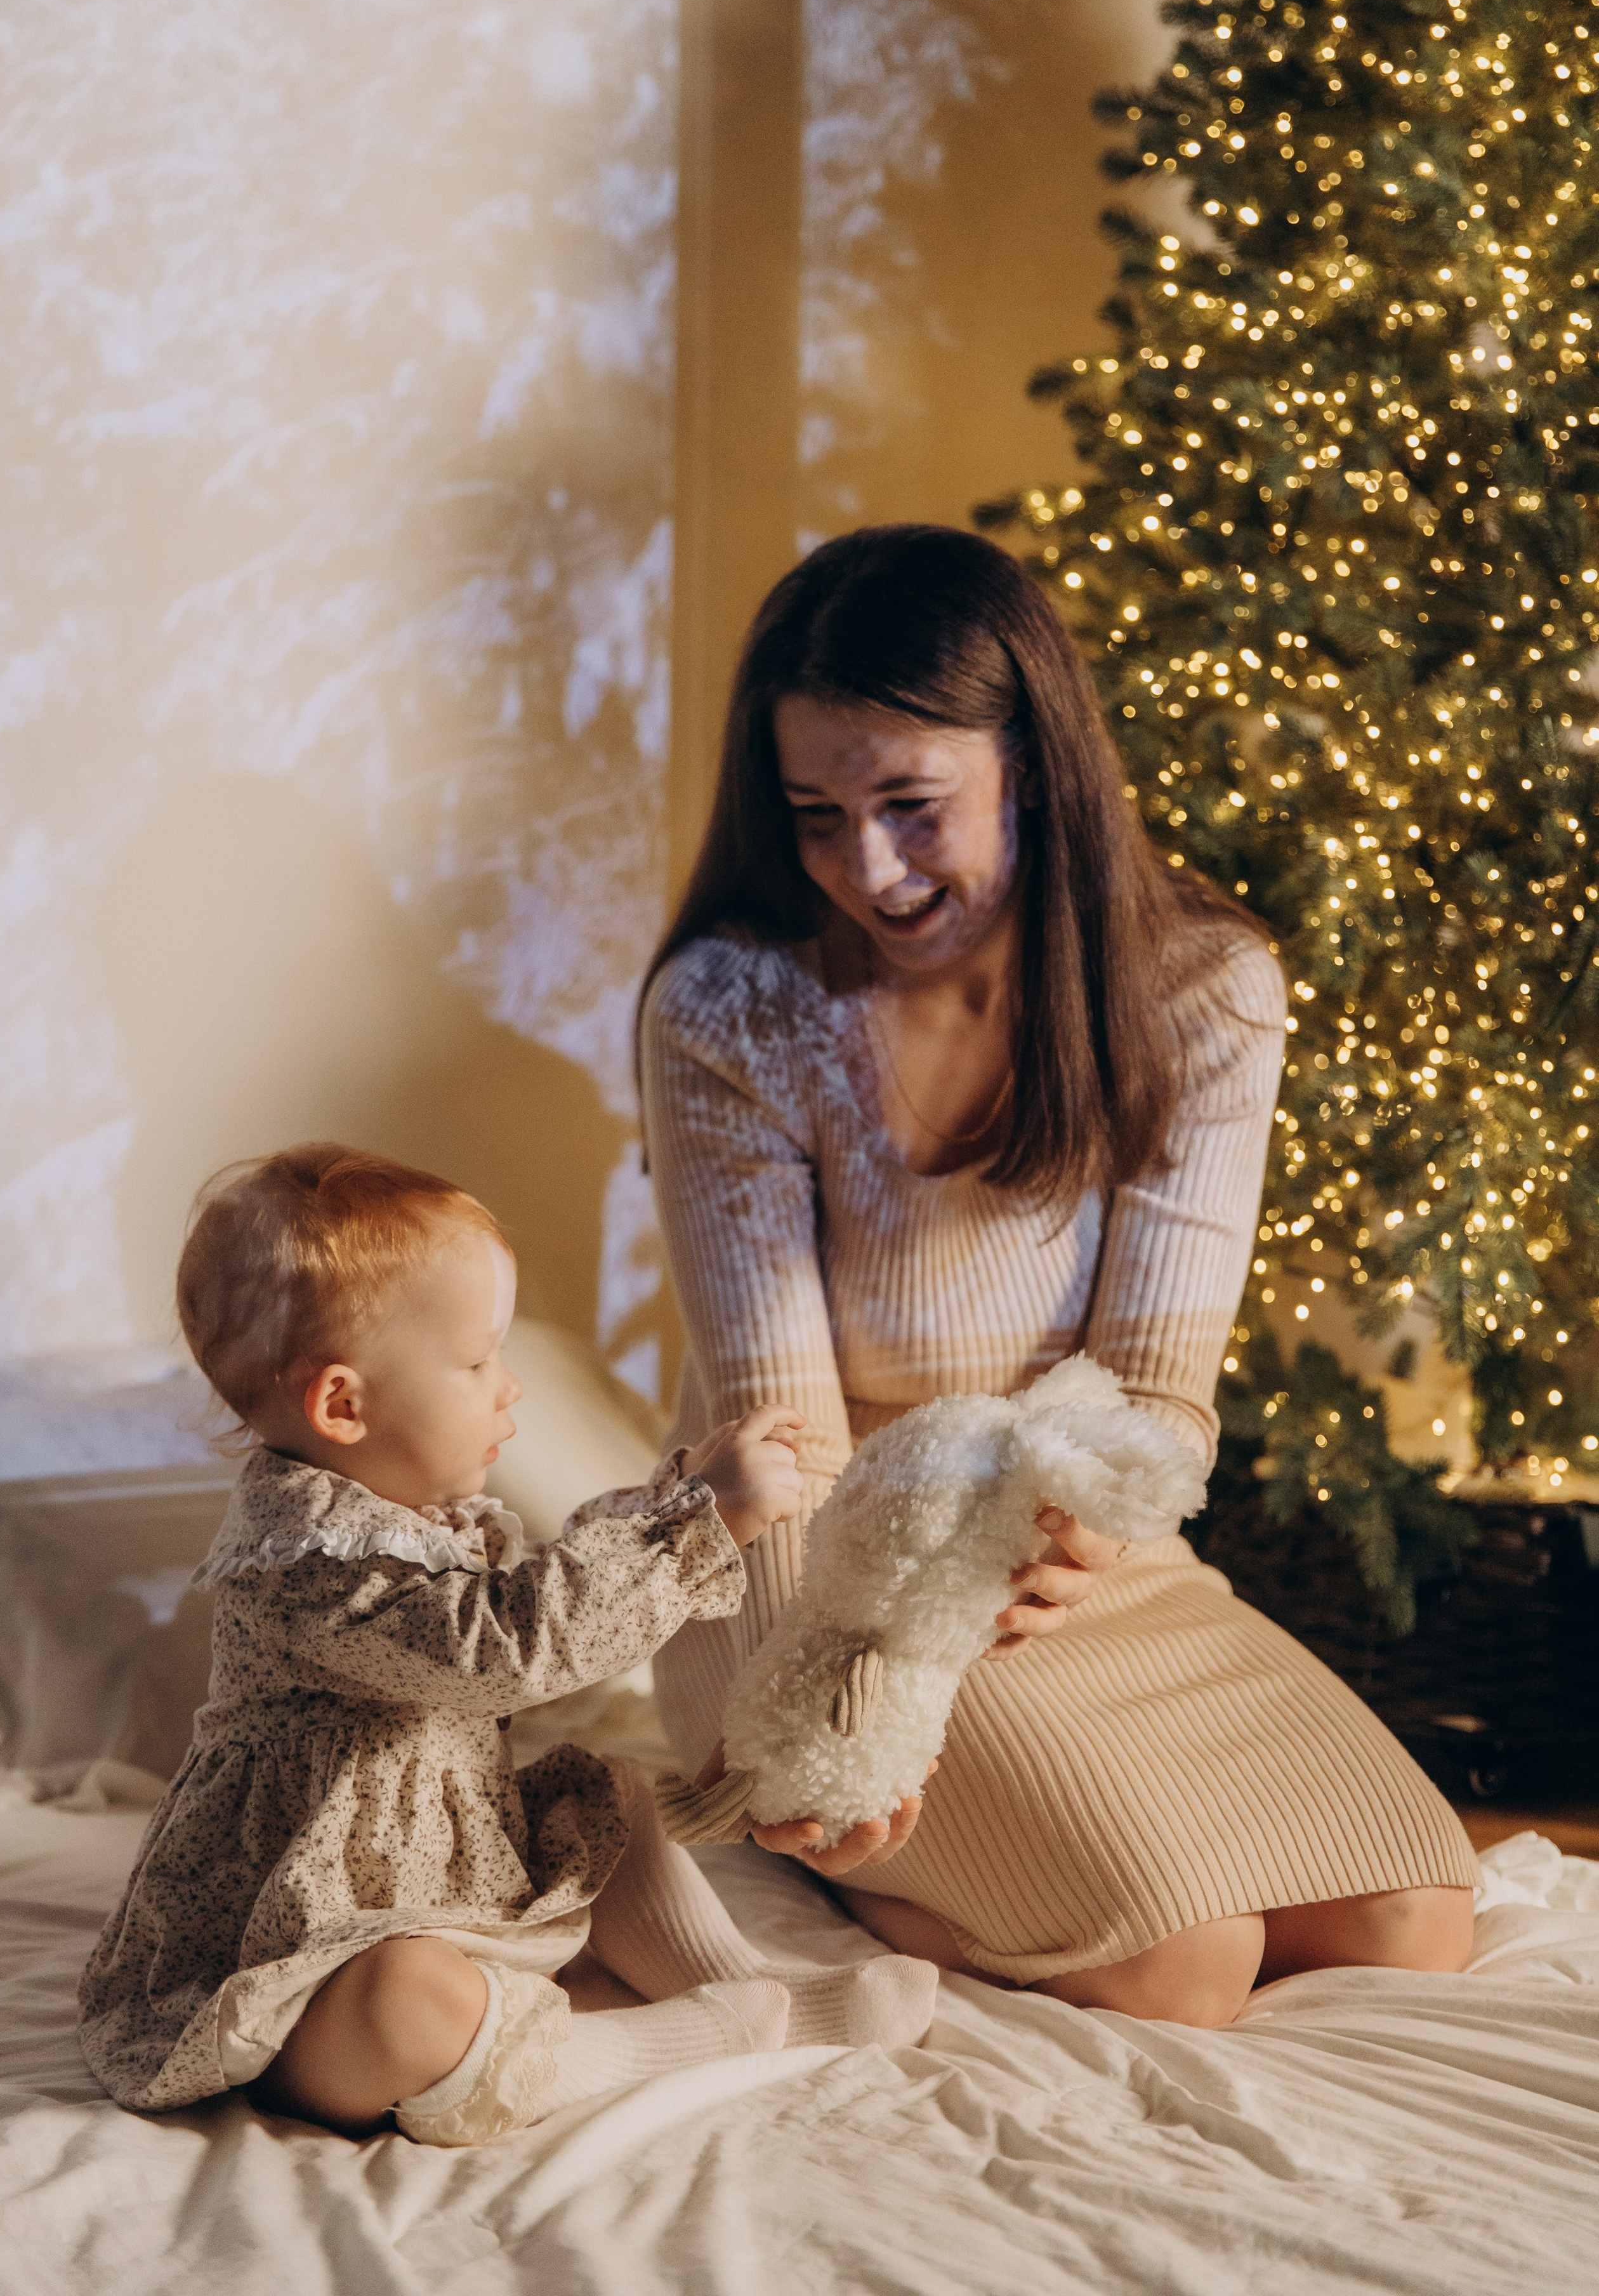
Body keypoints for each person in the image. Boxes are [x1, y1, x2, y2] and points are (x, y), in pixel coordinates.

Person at [638, 524, 1479, 2030]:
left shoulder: (1200, 989)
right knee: (1178, 1969)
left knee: (1410, 1921)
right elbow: (775, 1442)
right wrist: (829, 1708)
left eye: (910, 807)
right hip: (814, 1571)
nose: (868, 870)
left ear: (1027, 762)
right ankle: (843, 1881)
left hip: (1062, 1560)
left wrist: (1083, 1536)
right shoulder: (731, 1010)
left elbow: (1155, 1395)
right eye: (818, 817)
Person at [77, 1144, 935, 2144]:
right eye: (479, 1361)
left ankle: (750, 1990)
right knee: (402, 2001)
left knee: (605, 1795)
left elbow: (546, 1581)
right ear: (344, 1405)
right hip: (309, 1936)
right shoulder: (308, 1563)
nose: (509, 1388)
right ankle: (663, 2045)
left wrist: (669, 1502)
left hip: (444, 1866)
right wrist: (697, 1528)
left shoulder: (412, 1520)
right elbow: (509, 1645)